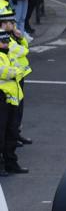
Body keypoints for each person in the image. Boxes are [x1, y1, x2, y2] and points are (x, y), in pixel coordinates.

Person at [0, 9, 31, 148]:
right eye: (10, 22)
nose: (13, 24)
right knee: (11, 116)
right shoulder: (4, 37)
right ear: (4, 24)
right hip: (10, 82)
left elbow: (25, 46)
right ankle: (12, 139)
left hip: (17, 78)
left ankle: (15, 135)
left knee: (17, 112)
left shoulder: (10, 35)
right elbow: (23, 50)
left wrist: (20, 37)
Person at [0, 31, 29, 176]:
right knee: (1, 134)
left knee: (11, 133)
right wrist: (14, 71)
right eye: (3, 41)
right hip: (2, 98)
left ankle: (11, 163)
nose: (6, 43)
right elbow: (4, 72)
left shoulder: (8, 55)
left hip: (13, 98)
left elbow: (20, 69)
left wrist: (14, 71)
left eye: (7, 40)